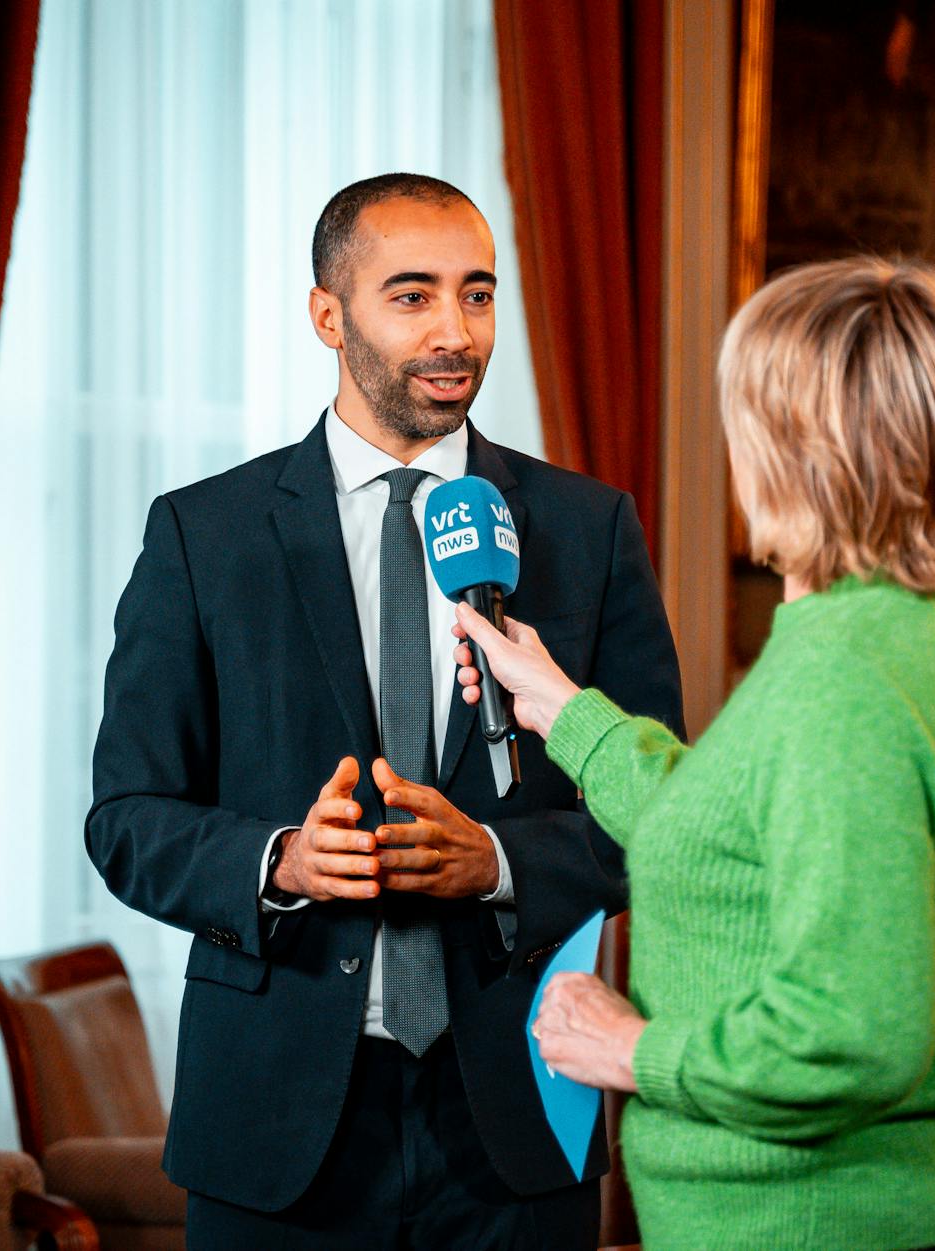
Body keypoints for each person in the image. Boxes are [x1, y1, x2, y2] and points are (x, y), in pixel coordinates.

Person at [87, 173, 683, 1249]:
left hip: (518, 1114)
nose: (455, 331)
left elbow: (665, 819)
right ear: (329, 315)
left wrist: (495, 867)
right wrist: (280, 860)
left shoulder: (587, 531)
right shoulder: (204, 535)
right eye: (412, 297)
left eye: (478, 294)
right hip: (275, 1124)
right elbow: (125, 819)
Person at [456, 256, 935, 1251]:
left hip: (806, 1224)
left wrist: (634, 1051)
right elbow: (742, 830)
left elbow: (853, 1031)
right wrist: (564, 711)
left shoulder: (840, 677)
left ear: (789, 446)